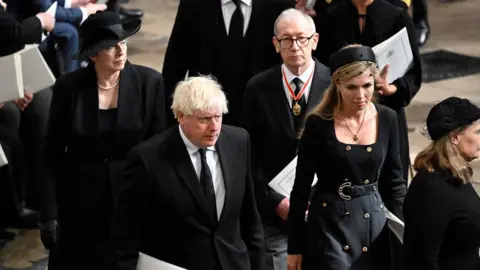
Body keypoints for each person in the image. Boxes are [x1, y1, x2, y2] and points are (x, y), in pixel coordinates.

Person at [38, 11, 166, 270]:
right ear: (93, 54)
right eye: (110, 46)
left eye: (124, 43)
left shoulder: (149, 83)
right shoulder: (68, 88)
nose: (120, 52)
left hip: (132, 200)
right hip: (78, 204)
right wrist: (49, 214)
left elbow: (159, 152)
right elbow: (50, 154)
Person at [110, 76, 265, 270]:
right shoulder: (147, 159)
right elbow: (125, 233)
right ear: (180, 116)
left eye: (218, 117)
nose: (214, 127)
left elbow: (250, 217)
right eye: (204, 119)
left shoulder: (238, 141)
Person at [287, 45, 407, 270]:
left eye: (367, 86)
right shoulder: (318, 124)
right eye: (352, 87)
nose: (361, 95)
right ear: (337, 85)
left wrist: (405, 230)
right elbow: (301, 188)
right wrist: (295, 246)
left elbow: (395, 181)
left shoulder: (388, 118)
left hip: (373, 223)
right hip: (329, 225)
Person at [241, 8, 330, 270]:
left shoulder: (335, 84)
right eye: (286, 40)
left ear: (314, 41)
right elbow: (249, 156)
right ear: (275, 44)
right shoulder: (257, 88)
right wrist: (275, 202)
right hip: (275, 213)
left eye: (301, 38)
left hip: (324, 209)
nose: (295, 47)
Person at [312, 0, 422, 182]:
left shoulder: (396, 16)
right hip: (342, 113)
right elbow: (321, 66)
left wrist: (393, 88)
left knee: (391, 179)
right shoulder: (331, 16)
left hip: (386, 110)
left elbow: (414, 71)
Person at [162, 0, 293, 127]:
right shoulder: (193, 5)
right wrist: (170, 126)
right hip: (205, 119)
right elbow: (174, 68)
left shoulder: (280, 5)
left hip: (262, 119)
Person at [403, 97, 480, 270]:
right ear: (454, 137)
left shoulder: (455, 173)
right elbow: (422, 260)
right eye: (478, 132)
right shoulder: (431, 189)